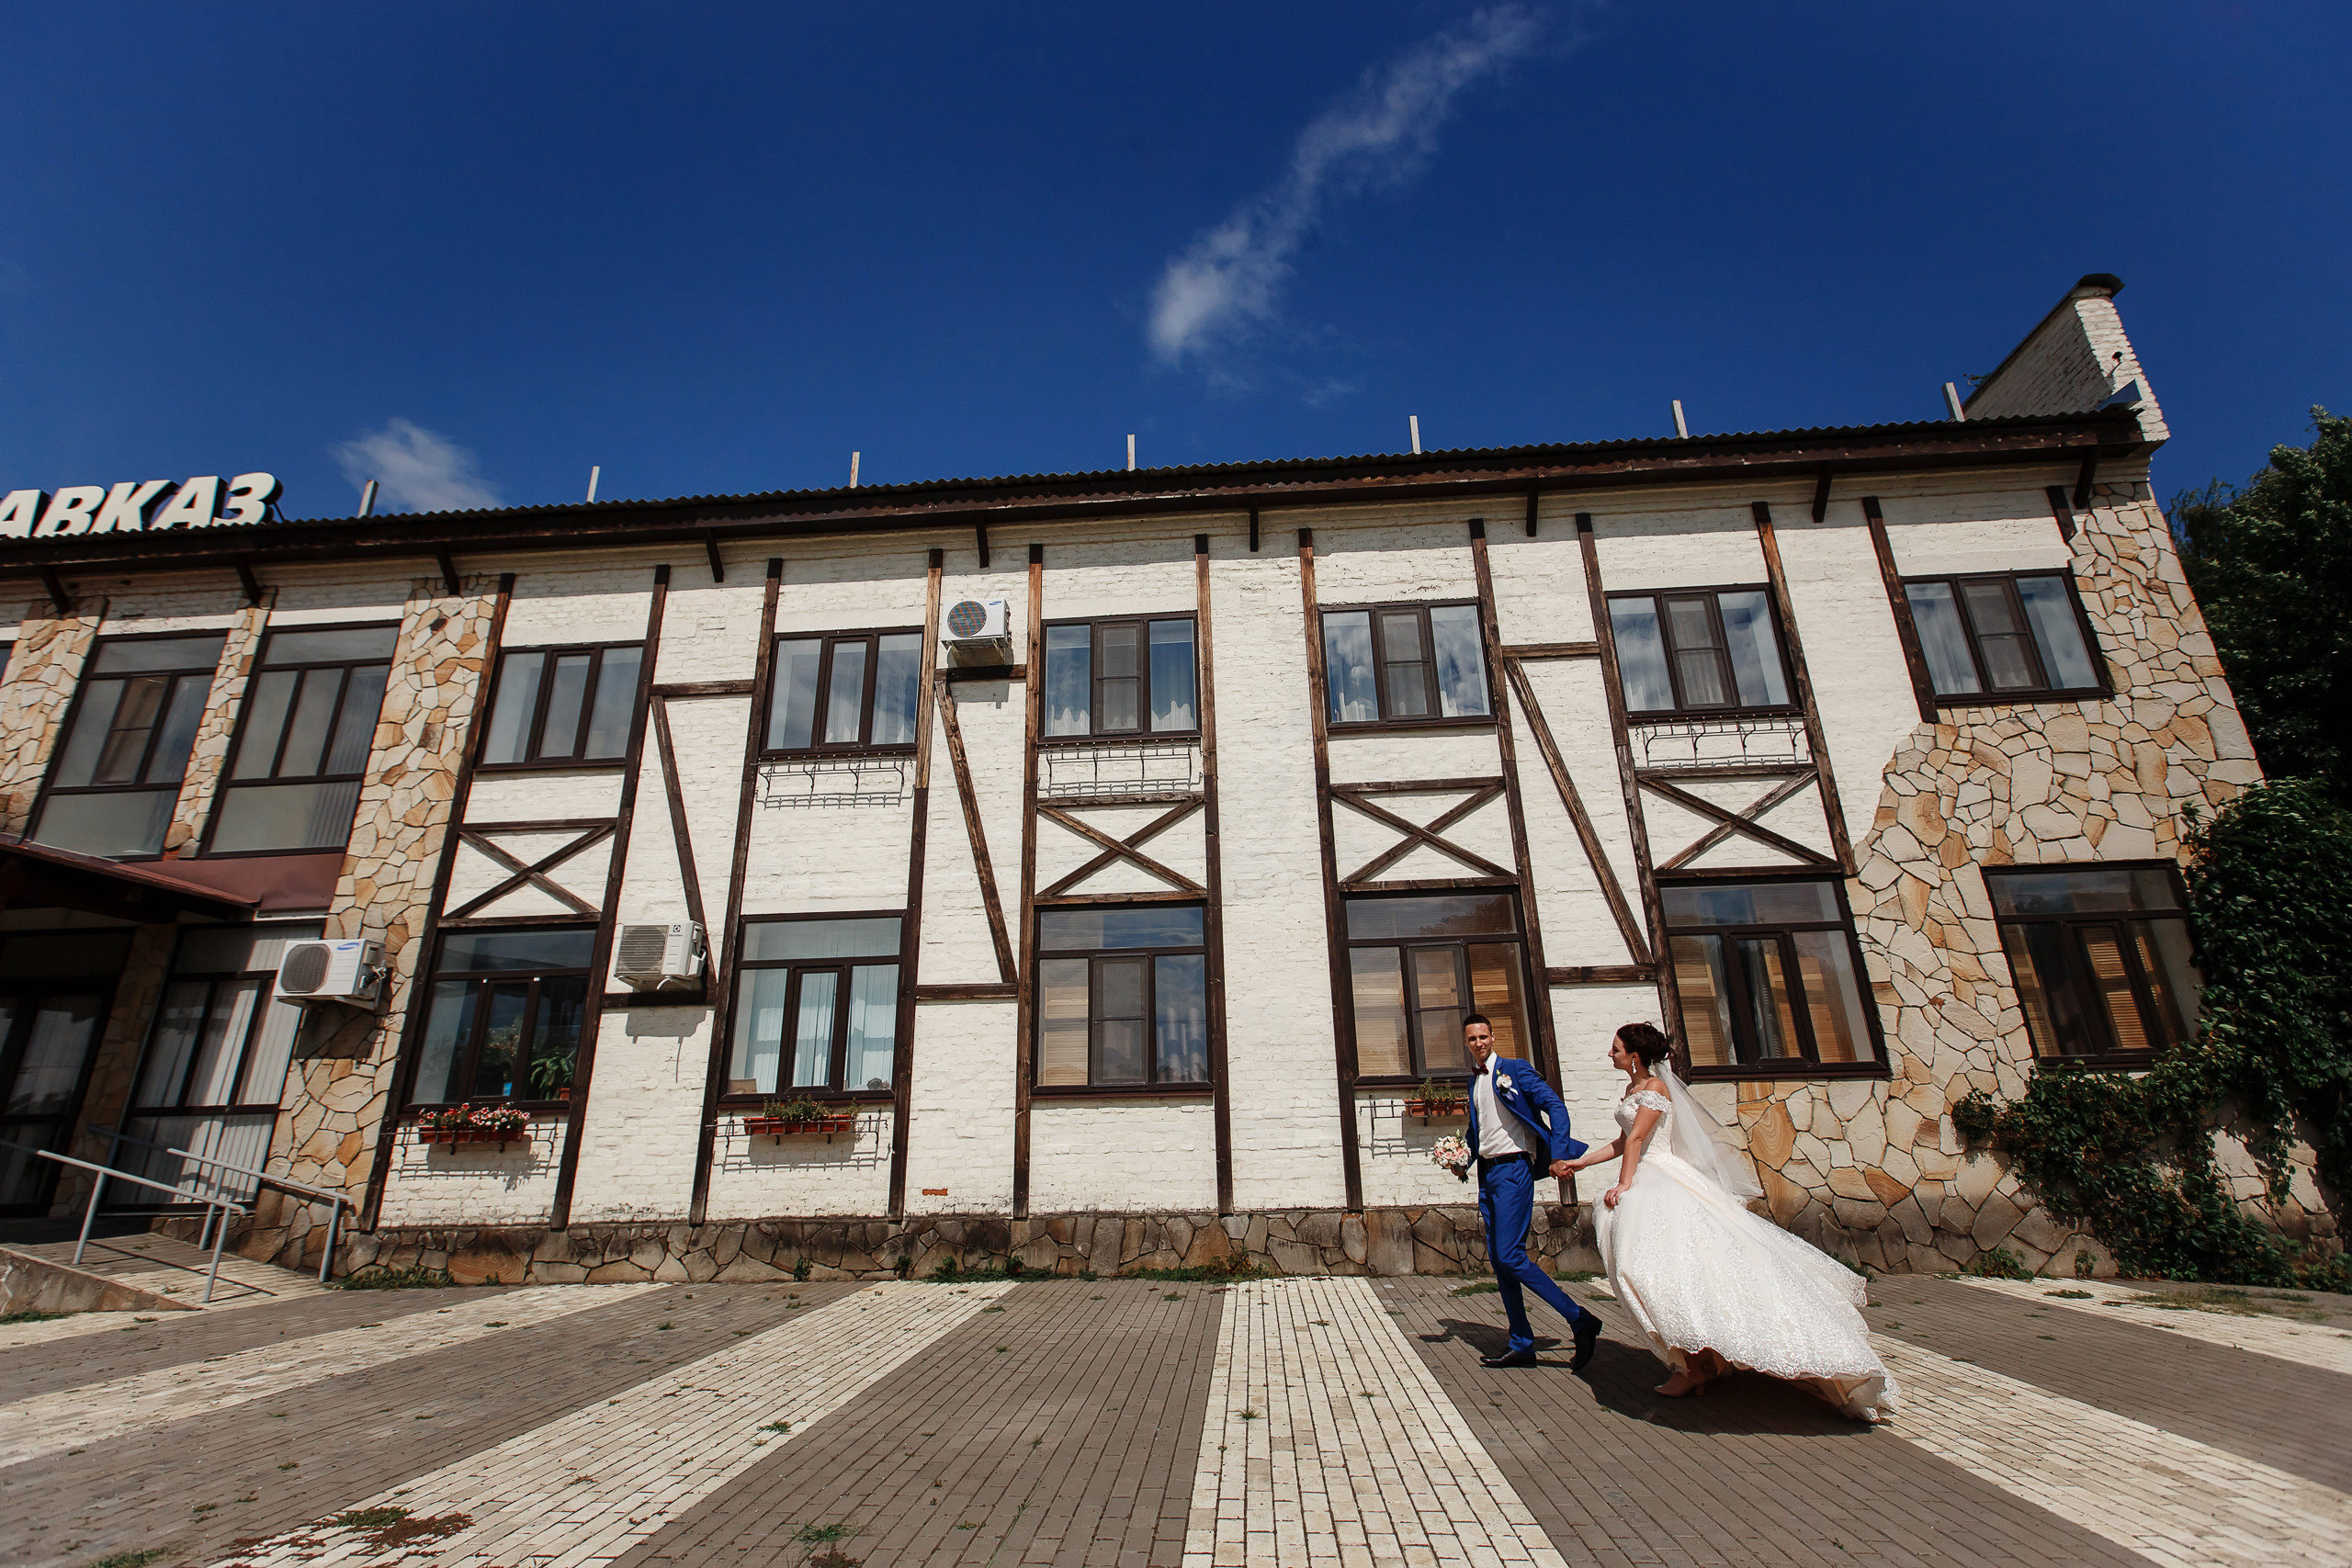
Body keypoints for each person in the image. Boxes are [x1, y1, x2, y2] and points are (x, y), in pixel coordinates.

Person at [1561, 1021, 1898, 1420]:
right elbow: (1623, 1141)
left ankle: (1696, 1364)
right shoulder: (1634, 1090)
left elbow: (1637, 1142)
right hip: (1647, 1177)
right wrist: (1580, 1162)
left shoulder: (1654, 1090)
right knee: (1666, 1272)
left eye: (1615, 1048)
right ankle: (1696, 1363)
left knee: (1657, 1270)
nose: (1610, 1053)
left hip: (1661, 1181)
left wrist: (1623, 1185)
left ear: (1634, 1056)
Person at [1459, 1012, 1602, 1371]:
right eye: (1472, 1039)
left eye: (1484, 1037)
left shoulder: (1515, 1070)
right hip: (1487, 1174)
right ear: (1467, 1043)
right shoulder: (1473, 1083)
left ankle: (1579, 1318)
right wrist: (1461, 1157)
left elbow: (1554, 1105)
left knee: (1510, 1255)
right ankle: (1521, 1343)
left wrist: (1559, 1153)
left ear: (1493, 1037)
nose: (1479, 1043)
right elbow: (1481, 1131)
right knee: (1500, 1262)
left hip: (1513, 1171)